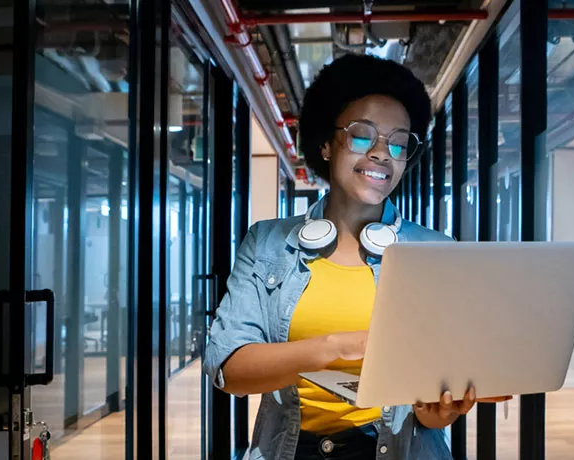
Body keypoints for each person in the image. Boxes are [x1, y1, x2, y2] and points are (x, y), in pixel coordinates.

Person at [203, 53, 510, 460]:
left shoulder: (437, 252)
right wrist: (335, 347)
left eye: (399, 143)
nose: (383, 153)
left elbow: (429, 413)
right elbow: (228, 368)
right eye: (362, 135)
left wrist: (439, 412)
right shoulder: (267, 242)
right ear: (327, 144)